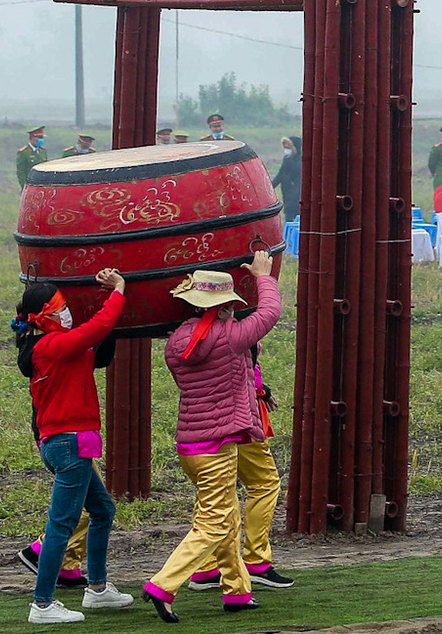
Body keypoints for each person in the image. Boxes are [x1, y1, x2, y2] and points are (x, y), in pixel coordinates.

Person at [143, 253, 280, 619]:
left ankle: (236, 590)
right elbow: (269, 314)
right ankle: (163, 585)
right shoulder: (230, 338)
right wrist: (264, 277)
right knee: (213, 523)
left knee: (227, 516)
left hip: (191, 445)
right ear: (224, 307)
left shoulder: (177, 342)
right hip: (219, 446)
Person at [14, 267, 135, 623]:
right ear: (46, 316)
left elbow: (97, 353)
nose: (68, 312)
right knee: (61, 526)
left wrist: (109, 311)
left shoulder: (52, 347)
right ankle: (42, 604)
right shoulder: (51, 346)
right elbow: (95, 330)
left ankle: (97, 589)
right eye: (62, 307)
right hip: (69, 446)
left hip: (69, 445)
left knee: (103, 511)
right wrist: (119, 291)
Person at [185, 341, 292, 595]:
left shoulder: (187, 332)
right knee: (264, 482)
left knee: (212, 491)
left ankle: (205, 567)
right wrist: (258, 389)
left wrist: (260, 387)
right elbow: (242, 364)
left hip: (199, 422)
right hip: (236, 417)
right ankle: (256, 561)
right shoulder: (235, 328)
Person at [271, 136, 302, 223]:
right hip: (287, 194)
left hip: (297, 195)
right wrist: (270, 187)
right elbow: (280, 175)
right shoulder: (287, 159)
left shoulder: (300, 161)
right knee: (289, 217)